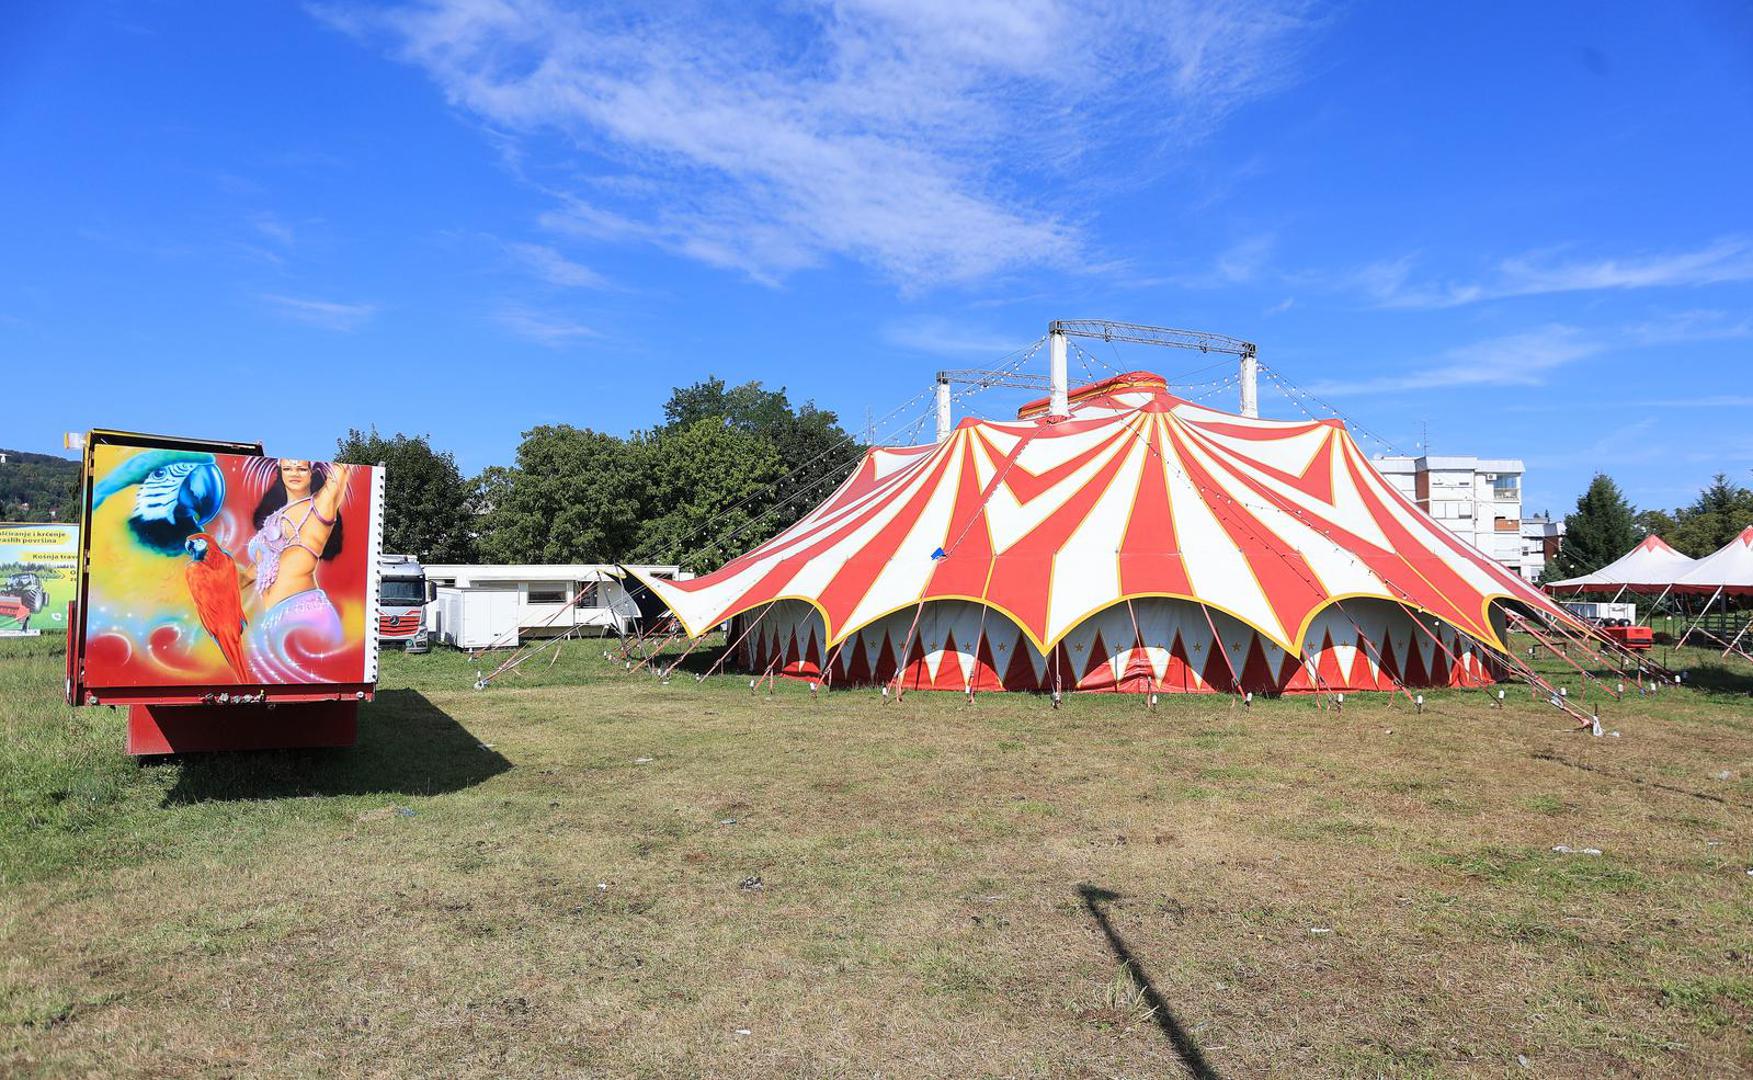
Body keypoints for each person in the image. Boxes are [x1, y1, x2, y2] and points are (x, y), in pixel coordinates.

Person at [238, 460, 353, 681]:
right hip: (273, 619)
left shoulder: (319, 506)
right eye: (288, 468)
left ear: (312, 472)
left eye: (301, 468)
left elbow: (340, 473)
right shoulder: (276, 516)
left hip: (307, 614)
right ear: (280, 472)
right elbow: (255, 573)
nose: (294, 473)